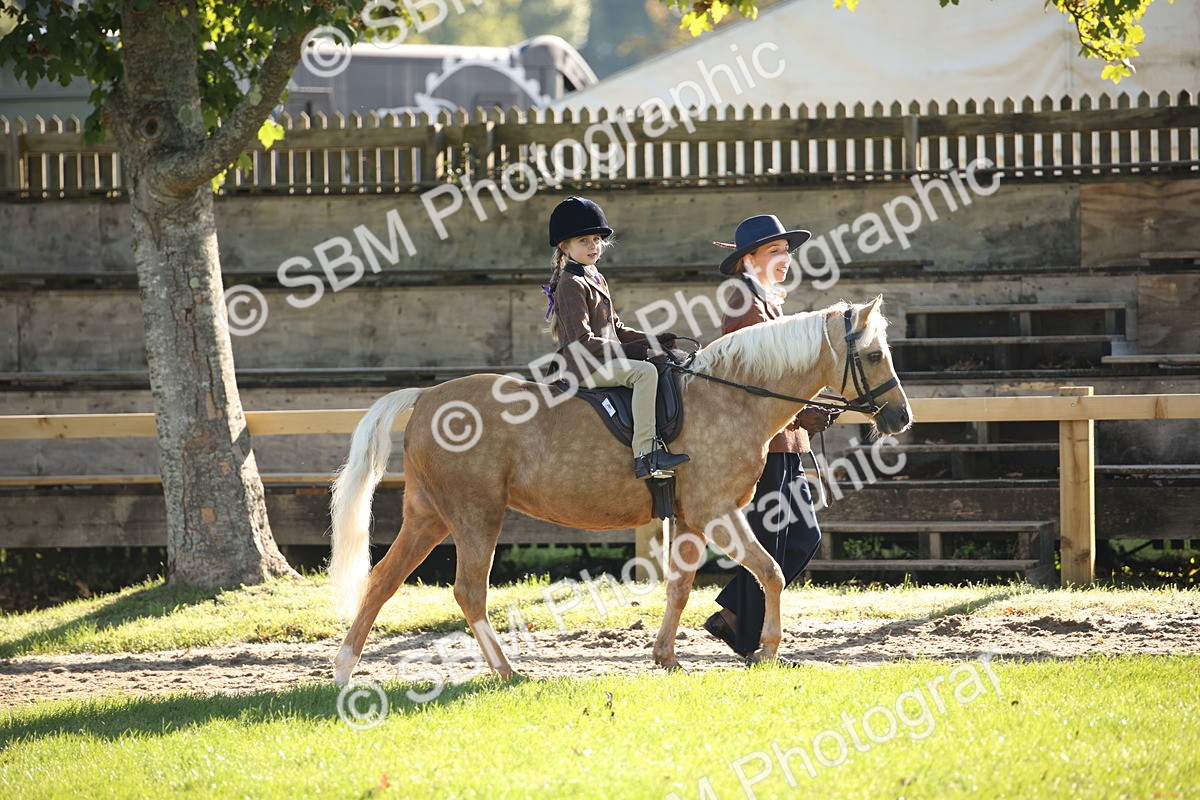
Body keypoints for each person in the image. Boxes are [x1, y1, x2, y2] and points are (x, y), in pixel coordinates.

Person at [703, 214, 839, 662]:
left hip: (784, 441)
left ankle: (733, 618)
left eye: (786, 251)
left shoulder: (767, 301)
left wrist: (802, 413)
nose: (785, 259)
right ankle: (753, 645)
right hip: (764, 444)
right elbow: (752, 379)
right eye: (774, 251)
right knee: (778, 541)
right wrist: (802, 412)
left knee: (800, 538)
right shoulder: (745, 301)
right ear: (749, 259)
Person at [542, 196, 689, 480]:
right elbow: (581, 342)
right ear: (565, 246)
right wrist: (629, 351)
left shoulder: (595, 276)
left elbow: (616, 327)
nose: (593, 246)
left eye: (597, 239)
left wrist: (653, 340)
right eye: (584, 241)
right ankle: (646, 455)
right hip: (583, 365)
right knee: (645, 373)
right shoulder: (570, 284)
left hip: (603, 357)